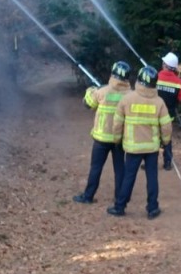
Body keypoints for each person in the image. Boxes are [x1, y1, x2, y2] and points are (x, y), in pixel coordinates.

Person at [107, 66, 173, 219]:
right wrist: (165, 141)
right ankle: (152, 208)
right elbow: (166, 125)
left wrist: (117, 140)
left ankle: (120, 207)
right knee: (152, 178)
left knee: (128, 177)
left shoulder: (127, 99)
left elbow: (117, 123)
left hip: (132, 147)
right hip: (151, 148)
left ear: (139, 80)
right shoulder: (159, 102)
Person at [73, 61, 132, 205]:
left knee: (96, 167)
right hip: (119, 139)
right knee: (120, 170)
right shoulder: (131, 95)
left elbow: (87, 104)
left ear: (113, 73)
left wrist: (91, 90)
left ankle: (88, 196)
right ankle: (119, 198)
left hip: (101, 139)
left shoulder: (102, 91)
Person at [156, 51, 181, 171]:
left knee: (153, 138)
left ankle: (151, 162)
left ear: (165, 64)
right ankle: (167, 163)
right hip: (169, 116)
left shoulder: (156, 77)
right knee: (167, 139)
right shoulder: (179, 82)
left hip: (154, 115)